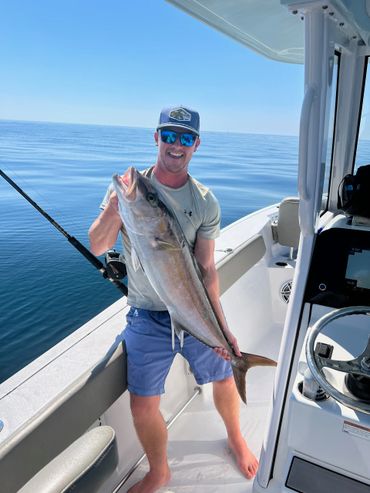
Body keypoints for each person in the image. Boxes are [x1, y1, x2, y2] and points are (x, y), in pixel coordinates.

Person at [88, 106, 259, 493]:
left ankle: (235, 437)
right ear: (156, 137)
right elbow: (99, 244)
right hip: (147, 316)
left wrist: (223, 330)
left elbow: (207, 270)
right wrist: (120, 206)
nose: (175, 145)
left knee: (225, 378)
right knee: (142, 403)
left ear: (196, 145)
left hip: (195, 312)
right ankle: (159, 471)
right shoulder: (131, 191)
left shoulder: (205, 202)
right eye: (169, 135)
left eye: (185, 138)